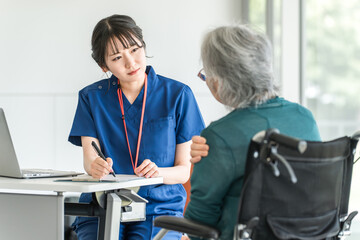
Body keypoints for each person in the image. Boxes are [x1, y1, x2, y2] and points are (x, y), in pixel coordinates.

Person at [68, 14, 204, 240]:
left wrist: (157, 172)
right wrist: (96, 167)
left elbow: (183, 171)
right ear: (104, 65)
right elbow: (90, 160)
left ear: (143, 45)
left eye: (134, 49)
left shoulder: (178, 95)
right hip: (103, 203)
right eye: (117, 57)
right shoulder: (91, 98)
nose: (131, 62)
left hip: (158, 206)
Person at [184, 24, 321, 240]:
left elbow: (198, 222)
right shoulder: (305, 118)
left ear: (219, 82)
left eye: (206, 75)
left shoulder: (218, 136)